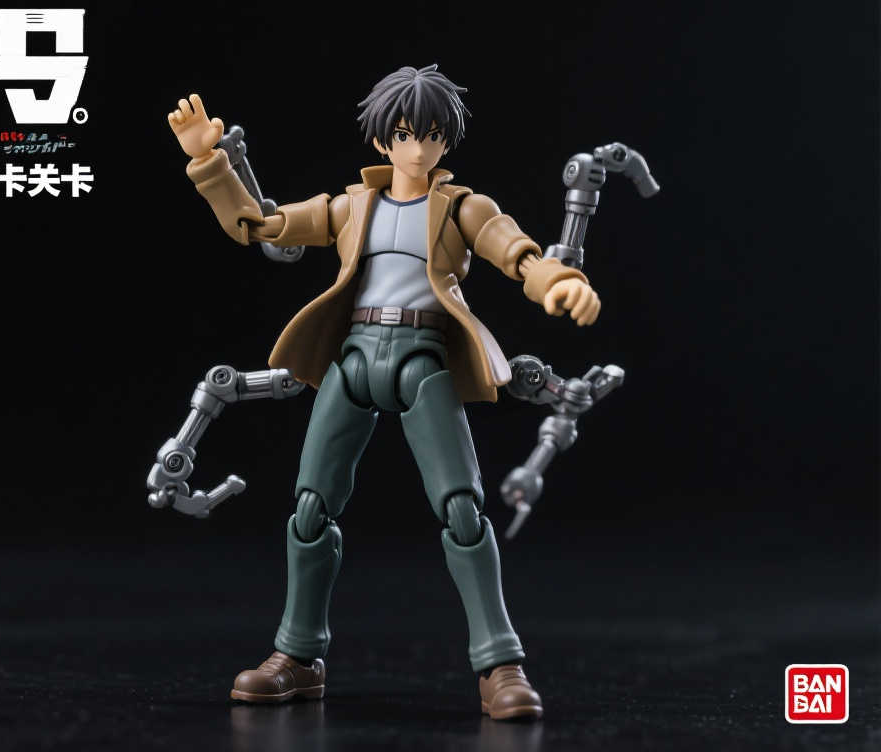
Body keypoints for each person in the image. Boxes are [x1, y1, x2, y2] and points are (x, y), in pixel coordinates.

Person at [167, 64, 600, 720]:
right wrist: (211, 164)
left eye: (430, 135)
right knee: (309, 509)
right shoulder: (350, 208)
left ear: (446, 140)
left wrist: (557, 283)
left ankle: (499, 664)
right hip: (354, 357)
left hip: (423, 358)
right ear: (381, 140)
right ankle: (297, 656)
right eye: (404, 135)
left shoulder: (463, 209)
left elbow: (518, 254)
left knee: (462, 511)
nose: (417, 149)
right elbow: (261, 224)